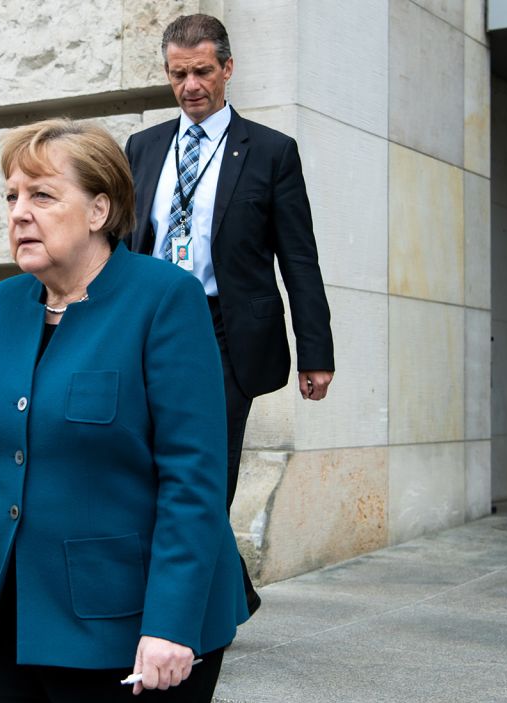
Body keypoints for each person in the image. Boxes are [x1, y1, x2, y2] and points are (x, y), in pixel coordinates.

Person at [0, 118, 248, 703]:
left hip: (129, 631)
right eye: (11, 197)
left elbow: (193, 480)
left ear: (100, 209)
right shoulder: (5, 304)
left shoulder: (164, 300)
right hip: (10, 618)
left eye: (42, 196)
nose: (19, 214)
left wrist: (171, 623)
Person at [123, 14, 336, 610]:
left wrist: (315, 351)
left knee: (206, 467)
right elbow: (119, 243)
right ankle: (229, 592)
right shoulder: (143, 147)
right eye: (178, 73)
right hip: (149, 326)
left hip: (223, 332)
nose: (190, 85)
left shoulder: (271, 152)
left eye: (202, 72)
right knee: (144, 461)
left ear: (228, 69)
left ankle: (183, 607)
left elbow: (299, 257)